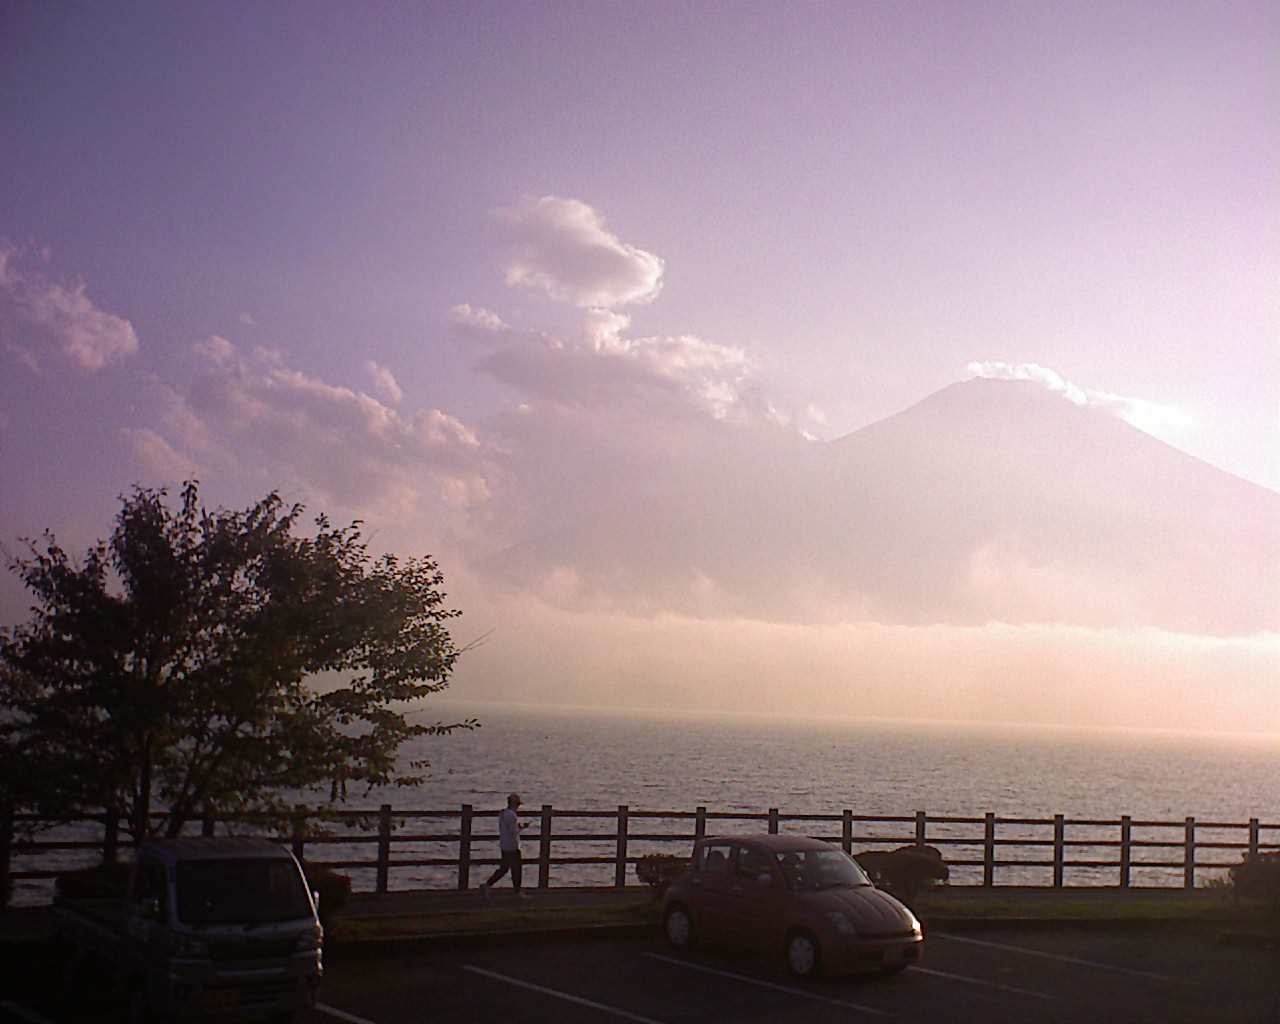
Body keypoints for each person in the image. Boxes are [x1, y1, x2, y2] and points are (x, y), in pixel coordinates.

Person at [479, 793, 530, 898]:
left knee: (504, 868)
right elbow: (514, 831)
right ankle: (517, 892)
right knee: (516, 869)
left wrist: (518, 826)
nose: (518, 807)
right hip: (512, 846)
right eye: (518, 805)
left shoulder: (503, 813)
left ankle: (487, 885)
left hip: (504, 845)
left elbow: (509, 828)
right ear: (514, 804)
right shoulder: (512, 815)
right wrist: (523, 827)